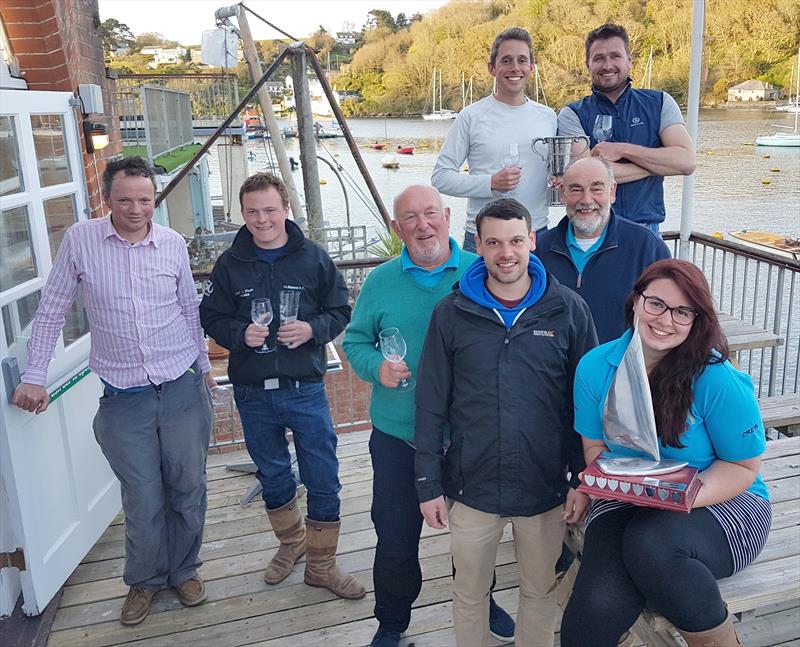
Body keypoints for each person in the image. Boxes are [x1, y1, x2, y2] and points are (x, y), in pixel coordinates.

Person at [11, 156, 214, 626]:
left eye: (145, 200)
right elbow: (52, 310)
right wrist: (35, 374)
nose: (137, 209)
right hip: (124, 396)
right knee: (142, 495)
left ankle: (184, 571)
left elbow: (189, 309)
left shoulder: (172, 244)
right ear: (106, 199)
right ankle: (143, 581)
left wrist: (204, 370)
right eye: (125, 200)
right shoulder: (81, 241)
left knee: (188, 486)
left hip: (182, 385)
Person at [415, 198, 597, 647]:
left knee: (540, 592)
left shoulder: (569, 310)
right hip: (471, 486)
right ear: (478, 246)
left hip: (546, 487)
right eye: (493, 242)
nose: (506, 252)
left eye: (516, 240)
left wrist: (583, 479)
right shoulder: (450, 314)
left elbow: (590, 406)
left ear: (532, 241)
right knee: (469, 592)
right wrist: (427, 484)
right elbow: (430, 403)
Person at [561, 259, 771, 647]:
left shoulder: (717, 378)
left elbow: (743, 466)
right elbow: (595, 449)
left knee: (651, 543)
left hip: (722, 499)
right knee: (593, 609)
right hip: (629, 496)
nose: (665, 319)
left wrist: (679, 496)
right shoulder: (596, 367)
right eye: (655, 303)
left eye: (682, 311)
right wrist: (596, 485)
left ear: (696, 319)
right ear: (636, 302)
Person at [343, 185, 516, 647]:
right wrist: (376, 367)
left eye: (430, 214)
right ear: (397, 228)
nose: (423, 225)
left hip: (469, 437)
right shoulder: (380, 281)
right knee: (396, 538)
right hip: (400, 435)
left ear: (446, 215)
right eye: (410, 218)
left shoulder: (480, 271)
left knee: (476, 537)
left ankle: (484, 600)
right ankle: (392, 622)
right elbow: (354, 341)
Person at [199, 172, 365, 601]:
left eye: (270, 209)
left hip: (304, 387)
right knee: (272, 473)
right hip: (252, 393)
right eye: (252, 211)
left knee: (323, 476)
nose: (262, 219)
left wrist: (313, 329)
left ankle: (322, 566)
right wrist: (239, 334)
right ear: (242, 213)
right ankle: (291, 544)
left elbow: (340, 310)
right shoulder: (229, 264)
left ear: (285, 209)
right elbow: (211, 317)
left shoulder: (313, 258)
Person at [557, 23, 696, 232]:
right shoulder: (572, 114)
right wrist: (655, 167)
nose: (607, 65)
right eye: (599, 58)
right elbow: (585, 176)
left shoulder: (659, 103)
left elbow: (686, 162)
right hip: (593, 231)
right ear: (588, 64)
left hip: (647, 229)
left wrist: (622, 150)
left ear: (629, 61)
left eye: (615, 56)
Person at [432, 27, 556, 252]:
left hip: (535, 235)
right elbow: (441, 177)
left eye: (522, 60)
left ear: (531, 67)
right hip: (483, 236)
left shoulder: (548, 117)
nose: (515, 68)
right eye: (506, 61)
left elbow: (554, 174)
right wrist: (489, 183)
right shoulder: (471, 116)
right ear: (492, 68)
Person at [536, 157, 670, 343]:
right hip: (555, 367)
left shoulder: (647, 247)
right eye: (576, 189)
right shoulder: (539, 250)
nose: (586, 200)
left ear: (612, 192)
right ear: (562, 194)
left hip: (618, 366)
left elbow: (667, 315)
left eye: (596, 188)